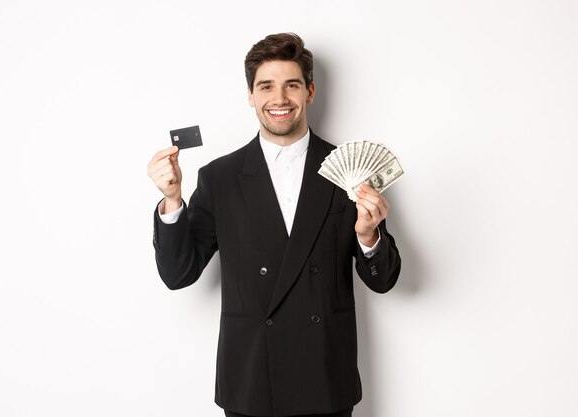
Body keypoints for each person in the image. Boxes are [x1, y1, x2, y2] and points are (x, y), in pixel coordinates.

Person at [147, 33, 401, 417]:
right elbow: (177, 273)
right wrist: (171, 200)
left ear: (310, 92)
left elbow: (384, 280)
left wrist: (368, 236)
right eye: (266, 86)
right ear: (250, 95)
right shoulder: (220, 177)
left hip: (325, 379)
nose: (279, 99)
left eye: (292, 85)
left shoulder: (349, 173)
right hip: (250, 380)